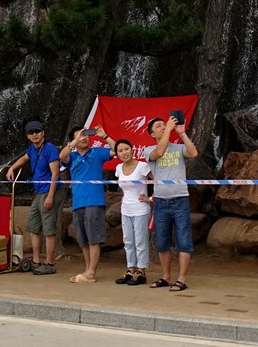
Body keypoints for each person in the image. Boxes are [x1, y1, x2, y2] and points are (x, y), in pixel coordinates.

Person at [5, 120, 65, 275]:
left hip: (49, 191)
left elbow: (55, 173)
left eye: (37, 131)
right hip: (39, 192)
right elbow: (24, 158)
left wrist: (50, 196)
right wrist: (12, 168)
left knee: (49, 228)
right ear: (27, 136)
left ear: (43, 133)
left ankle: (50, 262)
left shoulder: (50, 149)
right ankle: (37, 260)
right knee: (33, 227)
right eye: (31, 133)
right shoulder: (32, 149)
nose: (35, 135)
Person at [146, 114, 198, 291]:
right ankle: (165, 276)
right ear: (152, 134)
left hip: (180, 199)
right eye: (159, 126)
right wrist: (169, 129)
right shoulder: (148, 150)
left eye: (164, 124)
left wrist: (182, 133)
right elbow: (159, 153)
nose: (163, 126)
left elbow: (193, 153)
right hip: (161, 201)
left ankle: (182, 278)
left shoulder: (178, 148)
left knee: (184, 240)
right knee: (162, 242)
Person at [59, 124, 113, 283]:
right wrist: (75, 142)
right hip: (77, 203)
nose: (85, 138)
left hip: (94, 201)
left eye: (86, 135)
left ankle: (91, 272)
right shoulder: (72, 156)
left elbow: (118, 150)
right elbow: (61, 156)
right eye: (80, 135)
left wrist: (104, 136)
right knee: (82, 240)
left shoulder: (97, 152)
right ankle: (88, 270)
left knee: (94, 238)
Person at [114, 139, 152, 286]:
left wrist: (149, 198)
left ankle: (141, 272)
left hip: (140, 209)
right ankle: (131, 270)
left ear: (132, 149)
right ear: (117, 154)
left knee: (140, 241)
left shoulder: (143, 166)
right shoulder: (118, 168)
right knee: (128, 240)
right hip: (126, 208)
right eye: (120, 151)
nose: (124, 152)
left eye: (126, 149)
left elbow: (159, 181)